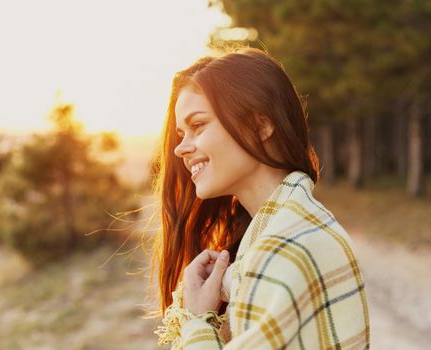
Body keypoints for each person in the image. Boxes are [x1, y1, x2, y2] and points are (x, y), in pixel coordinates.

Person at [151, 48, 370, 349]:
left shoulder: (282, 252)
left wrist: (197, 321)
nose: (181, 148)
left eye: (198, 125)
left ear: (260, 125)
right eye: (181, 133)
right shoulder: (282, 236)